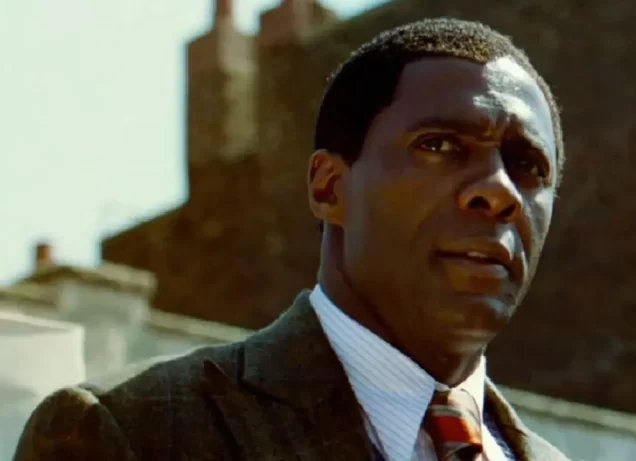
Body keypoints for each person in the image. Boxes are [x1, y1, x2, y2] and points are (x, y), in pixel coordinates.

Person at [14, 18, 568, 461]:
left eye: (527, 165)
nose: (500, 191)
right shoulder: (130, 432)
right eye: (440, 146)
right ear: (329, 187)